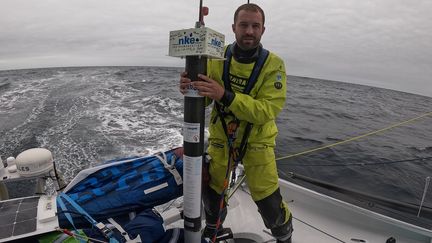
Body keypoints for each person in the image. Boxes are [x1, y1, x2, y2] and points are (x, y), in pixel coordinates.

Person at [179, 3, 293, 243]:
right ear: (234, 27)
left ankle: (284, 237)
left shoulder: (275, 65)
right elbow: (206, 102)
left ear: (263, 29)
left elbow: (267, 110)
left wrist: (225, 95)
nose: (249, 31)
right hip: (222, 140)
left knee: (269, 201)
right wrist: (191, 89)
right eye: (244, 25)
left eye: (255, 26)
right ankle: (212, 227)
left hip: (258, 142)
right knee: (212, 194)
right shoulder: (216, 59)